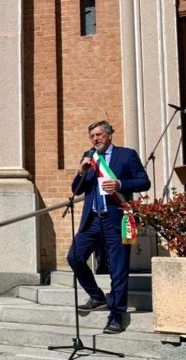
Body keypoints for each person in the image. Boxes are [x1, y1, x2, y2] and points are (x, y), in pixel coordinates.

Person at [67, 120, 151, 334]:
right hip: (92, 220)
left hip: (116, 219)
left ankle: (116, 315)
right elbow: (77, 189)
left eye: (99, 135)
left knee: (118, 269)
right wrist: (81, 171)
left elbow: (144, 182)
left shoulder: (127, 155)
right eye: (92, 136)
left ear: (109, 135)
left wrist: (120, 184)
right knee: (74, 257)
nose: (95, 139)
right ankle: (96, 296)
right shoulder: (89, 157)